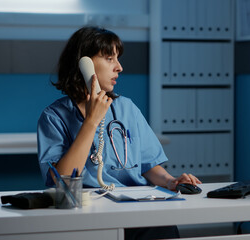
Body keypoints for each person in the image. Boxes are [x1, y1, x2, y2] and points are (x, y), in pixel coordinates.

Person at [37, 26, 201, 239]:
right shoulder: (54, 117)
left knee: (164, 228)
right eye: (109, 58)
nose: (119, 67)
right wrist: (92, 121)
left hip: (138, 212)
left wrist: (171, 181)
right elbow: (64, 180)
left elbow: (147, 164)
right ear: (83, 64)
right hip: (88, 216)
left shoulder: (126, 108)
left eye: (118, 58)